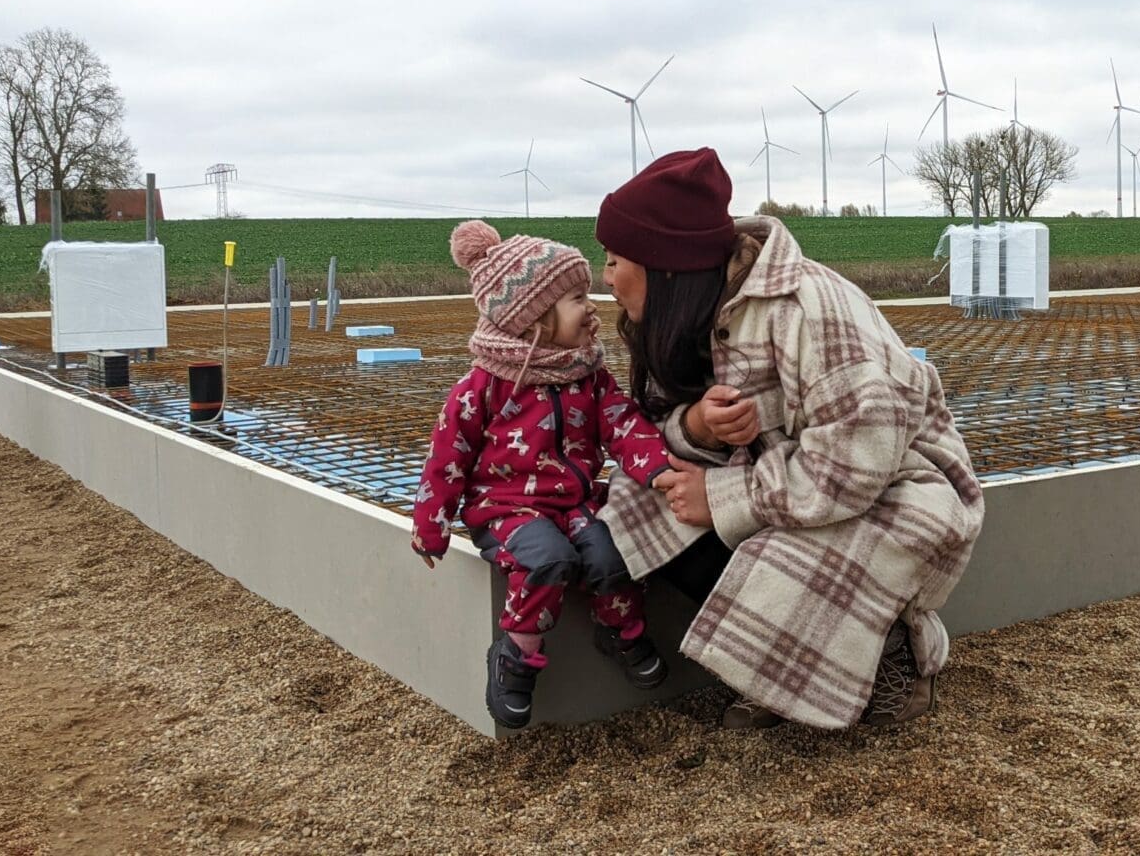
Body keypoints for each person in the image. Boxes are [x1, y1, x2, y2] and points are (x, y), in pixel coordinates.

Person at [593, 148, 985, 730]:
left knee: (773, 552)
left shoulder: (810, 310)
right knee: (650, 500)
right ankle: (784, 673)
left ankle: (897, 655)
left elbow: (855, 465)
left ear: (666, 266)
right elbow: (655, 429)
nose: (606, 275)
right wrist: (697, 427)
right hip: (789, 482)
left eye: (615, 258)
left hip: (898, 492)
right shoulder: (691, 314)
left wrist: (726, 499)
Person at [413, 220, 673, 729]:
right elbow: (447, 459)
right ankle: (516, 653)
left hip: (574, 503)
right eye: (576, 297)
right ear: (531, 319)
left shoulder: (588, 375)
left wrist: (658, 467)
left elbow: (624, 423)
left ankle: (621, 629)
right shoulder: (482, 387)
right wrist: (431, 527)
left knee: (610, 553)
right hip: (506, 508)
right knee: (547, 562)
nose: (592, 304)